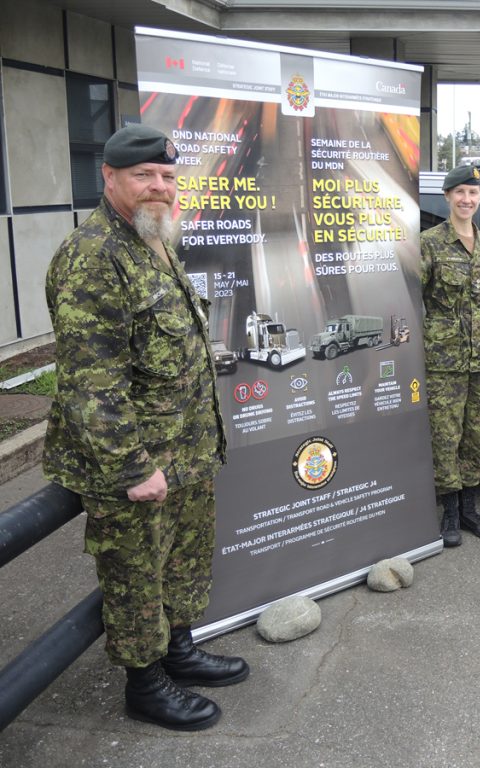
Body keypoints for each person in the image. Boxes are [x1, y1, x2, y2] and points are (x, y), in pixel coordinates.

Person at [44, 124, 248, 731]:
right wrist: (133, 468)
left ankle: (178, 651)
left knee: (181, 564)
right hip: (135, 464)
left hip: (182, 451)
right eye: (144, 177)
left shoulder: (152, 239)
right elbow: (91, 382)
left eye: (166, 177)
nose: (159, 186)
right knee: (136, 573)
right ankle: (145, 683)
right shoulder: (94, 257)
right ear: (109, 178)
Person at [420, 165, 480, 548]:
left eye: (473, 193)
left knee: (478, 436)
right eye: (460, 193)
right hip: (443, 361)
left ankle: (470, 508)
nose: (467, 199)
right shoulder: (429, 243)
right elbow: (412, 300)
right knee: (445, 437)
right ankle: (450, 511)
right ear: (447, 196)